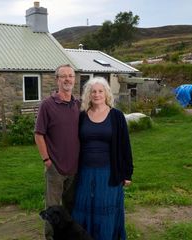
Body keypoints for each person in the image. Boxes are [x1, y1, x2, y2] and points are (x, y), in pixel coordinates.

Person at [72, 77, 133, 240]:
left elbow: (125, 145)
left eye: (100, 91)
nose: (97, 94)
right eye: (93, 91)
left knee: (106, 208)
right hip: (85, 171)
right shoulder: (82, 116)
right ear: (88, 94)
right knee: (84, 207)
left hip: (108, 171)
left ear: (106, 93)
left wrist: (127, 173)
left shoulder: (117, 116)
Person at [35, 64, 80, 239]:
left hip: (75, 169)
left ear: (74, 79)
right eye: (64, 76)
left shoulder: (78, 104)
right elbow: (39, 135)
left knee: (70, 209)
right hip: (55, 169)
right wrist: (47, 161)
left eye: (71, 76)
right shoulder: (47, 105)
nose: (68, 79)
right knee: (52, 210)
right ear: (57, 80)